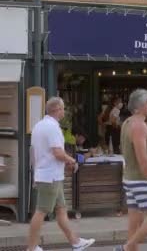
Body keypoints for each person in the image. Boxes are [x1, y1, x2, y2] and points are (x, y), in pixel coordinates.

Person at [28, 97, 95, 251]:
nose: (64, 111)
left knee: (61, 210)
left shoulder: (39, 125)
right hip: (50, 176)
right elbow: (57, 152)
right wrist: (72, 160)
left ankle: (76, 242)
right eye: (63, 108)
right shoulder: (52, 127)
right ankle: (31, 248)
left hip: (50, 175)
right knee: (41, 211)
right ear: (57, 109)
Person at [115, 89, 147, 251]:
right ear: (139, 106)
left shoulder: (128, 123)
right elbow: (142, 158)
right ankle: (126, 247)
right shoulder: (139, 126)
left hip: (130, 178)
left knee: (135, 223)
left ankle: (129, 248)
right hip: (141, 179)